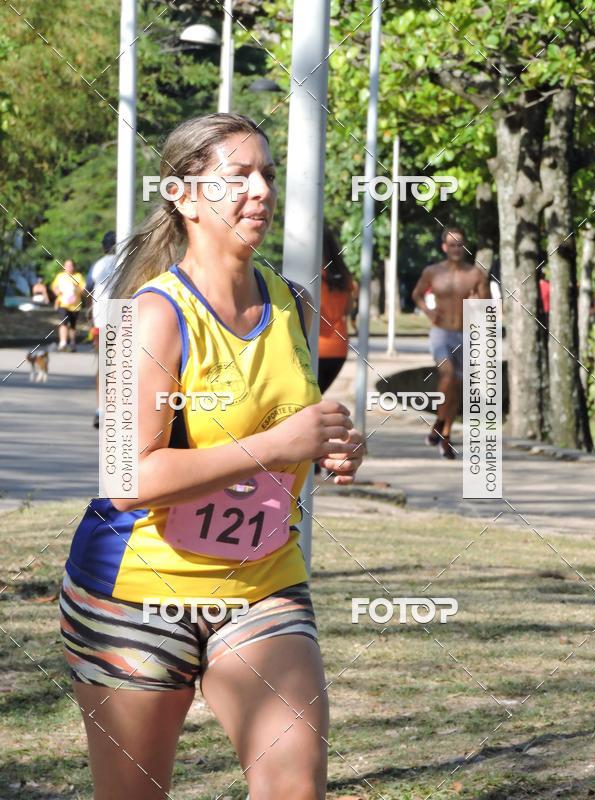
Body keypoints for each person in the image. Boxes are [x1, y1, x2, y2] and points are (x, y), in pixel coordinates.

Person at [58, 113, 365, 800]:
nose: (259, 190)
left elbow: (292, 428)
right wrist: (275, 448)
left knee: (295, 788)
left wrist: (336, 445)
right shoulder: (149, 317)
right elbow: (128, 475)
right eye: (237, 177)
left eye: (266, 174)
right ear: (185, 195)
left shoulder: (295, 305)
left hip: (261, 582)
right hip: (137, 592)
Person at [412, 226, 490, 459]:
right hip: (441, 332)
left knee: (458, 383)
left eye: (460, 244)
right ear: (444, 247)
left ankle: (442, 428)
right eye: (452, 244)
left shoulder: (475, 274)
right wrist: (428, 311)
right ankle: (443, 430)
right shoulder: (432, 272)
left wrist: (478, 303)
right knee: (447, 375)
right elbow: (416, 294)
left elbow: (487, 306)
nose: (456, 249)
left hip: (465, 334)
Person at [317, 226, 354, 395]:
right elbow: (348, 309)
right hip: (338, 349)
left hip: (314, 347)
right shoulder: (345, 276)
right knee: (314, 400)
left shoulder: (310, 275)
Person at [86, 231, 117, 428]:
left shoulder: (97, 265)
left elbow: (88, 288)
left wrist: (90, 315)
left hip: (101, 320)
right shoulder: (129, 261)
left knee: (103, 366)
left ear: (102, 247)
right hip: (125, 318)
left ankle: (101, 410)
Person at [51, 258, 85, 351]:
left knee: (73, 325)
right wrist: (57, 291)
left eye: (70, 265)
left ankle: (72, 343)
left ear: (73, 267)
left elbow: (83, 290)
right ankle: (63, 343)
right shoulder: (60, 276)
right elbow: (54, 287)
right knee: (64, 322)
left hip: (75, 305)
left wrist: (75, 288)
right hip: (63, 304)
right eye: (66, 266)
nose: (68, 267)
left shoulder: (78, 276)